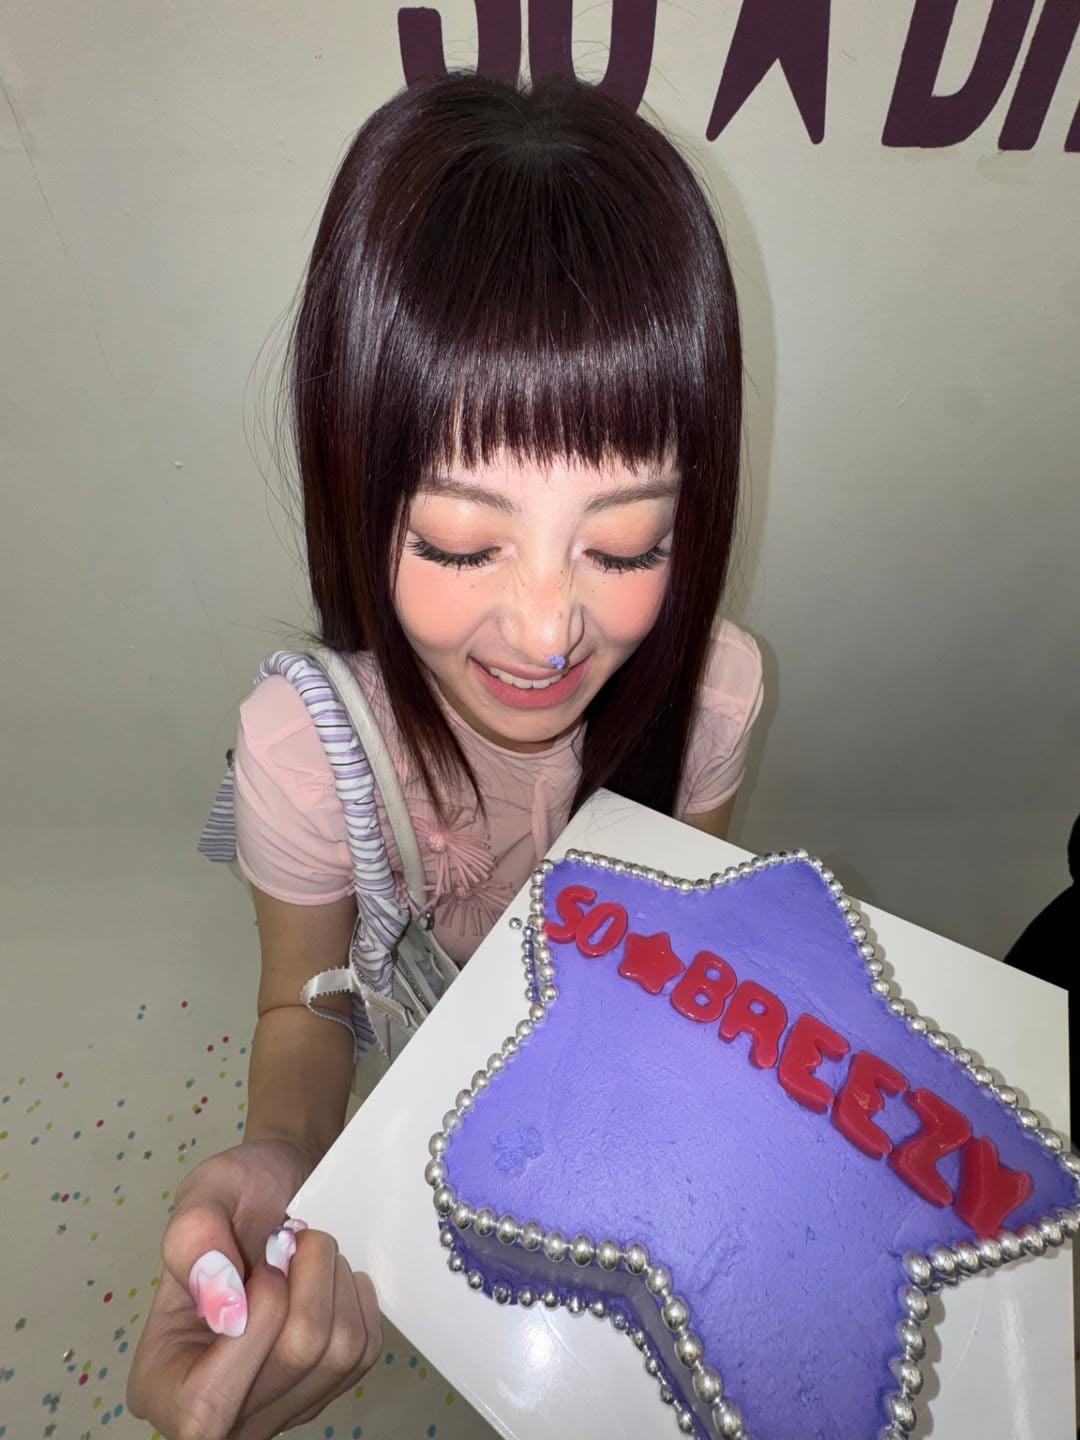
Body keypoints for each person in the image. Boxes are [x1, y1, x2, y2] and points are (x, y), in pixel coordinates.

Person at [127, 70, 763, 1440]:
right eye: (464, 544)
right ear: (358, 497)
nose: (545, 628)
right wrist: (286, 1162)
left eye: (625, 545)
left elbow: (675, 940)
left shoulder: (710, 691)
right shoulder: (308, 753)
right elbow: (306, 1007)